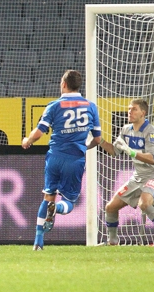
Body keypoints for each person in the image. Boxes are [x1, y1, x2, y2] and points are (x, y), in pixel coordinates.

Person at [22, 70, 101, 250]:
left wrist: (27, 141)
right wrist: (83, 147)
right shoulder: (90, 106)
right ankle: (56, 209)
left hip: (55, 157)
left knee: (48, 196)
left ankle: (38, 242)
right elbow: (97, 139)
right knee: (70, 202)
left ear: (64, 84)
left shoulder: (53, 106)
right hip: (75, 160)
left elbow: (40, 132)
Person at [99, 99, 154, 247]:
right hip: (138, 176)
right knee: (110, 207)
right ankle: (112, 241)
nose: (130, 111)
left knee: (145, 203)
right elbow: (114, 151)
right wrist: (100, 140)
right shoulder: (126, 130)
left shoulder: (151, 132)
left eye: (134, 109)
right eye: (129, 109)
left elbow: (153, 159)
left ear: (143, 112)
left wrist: (131, 152)